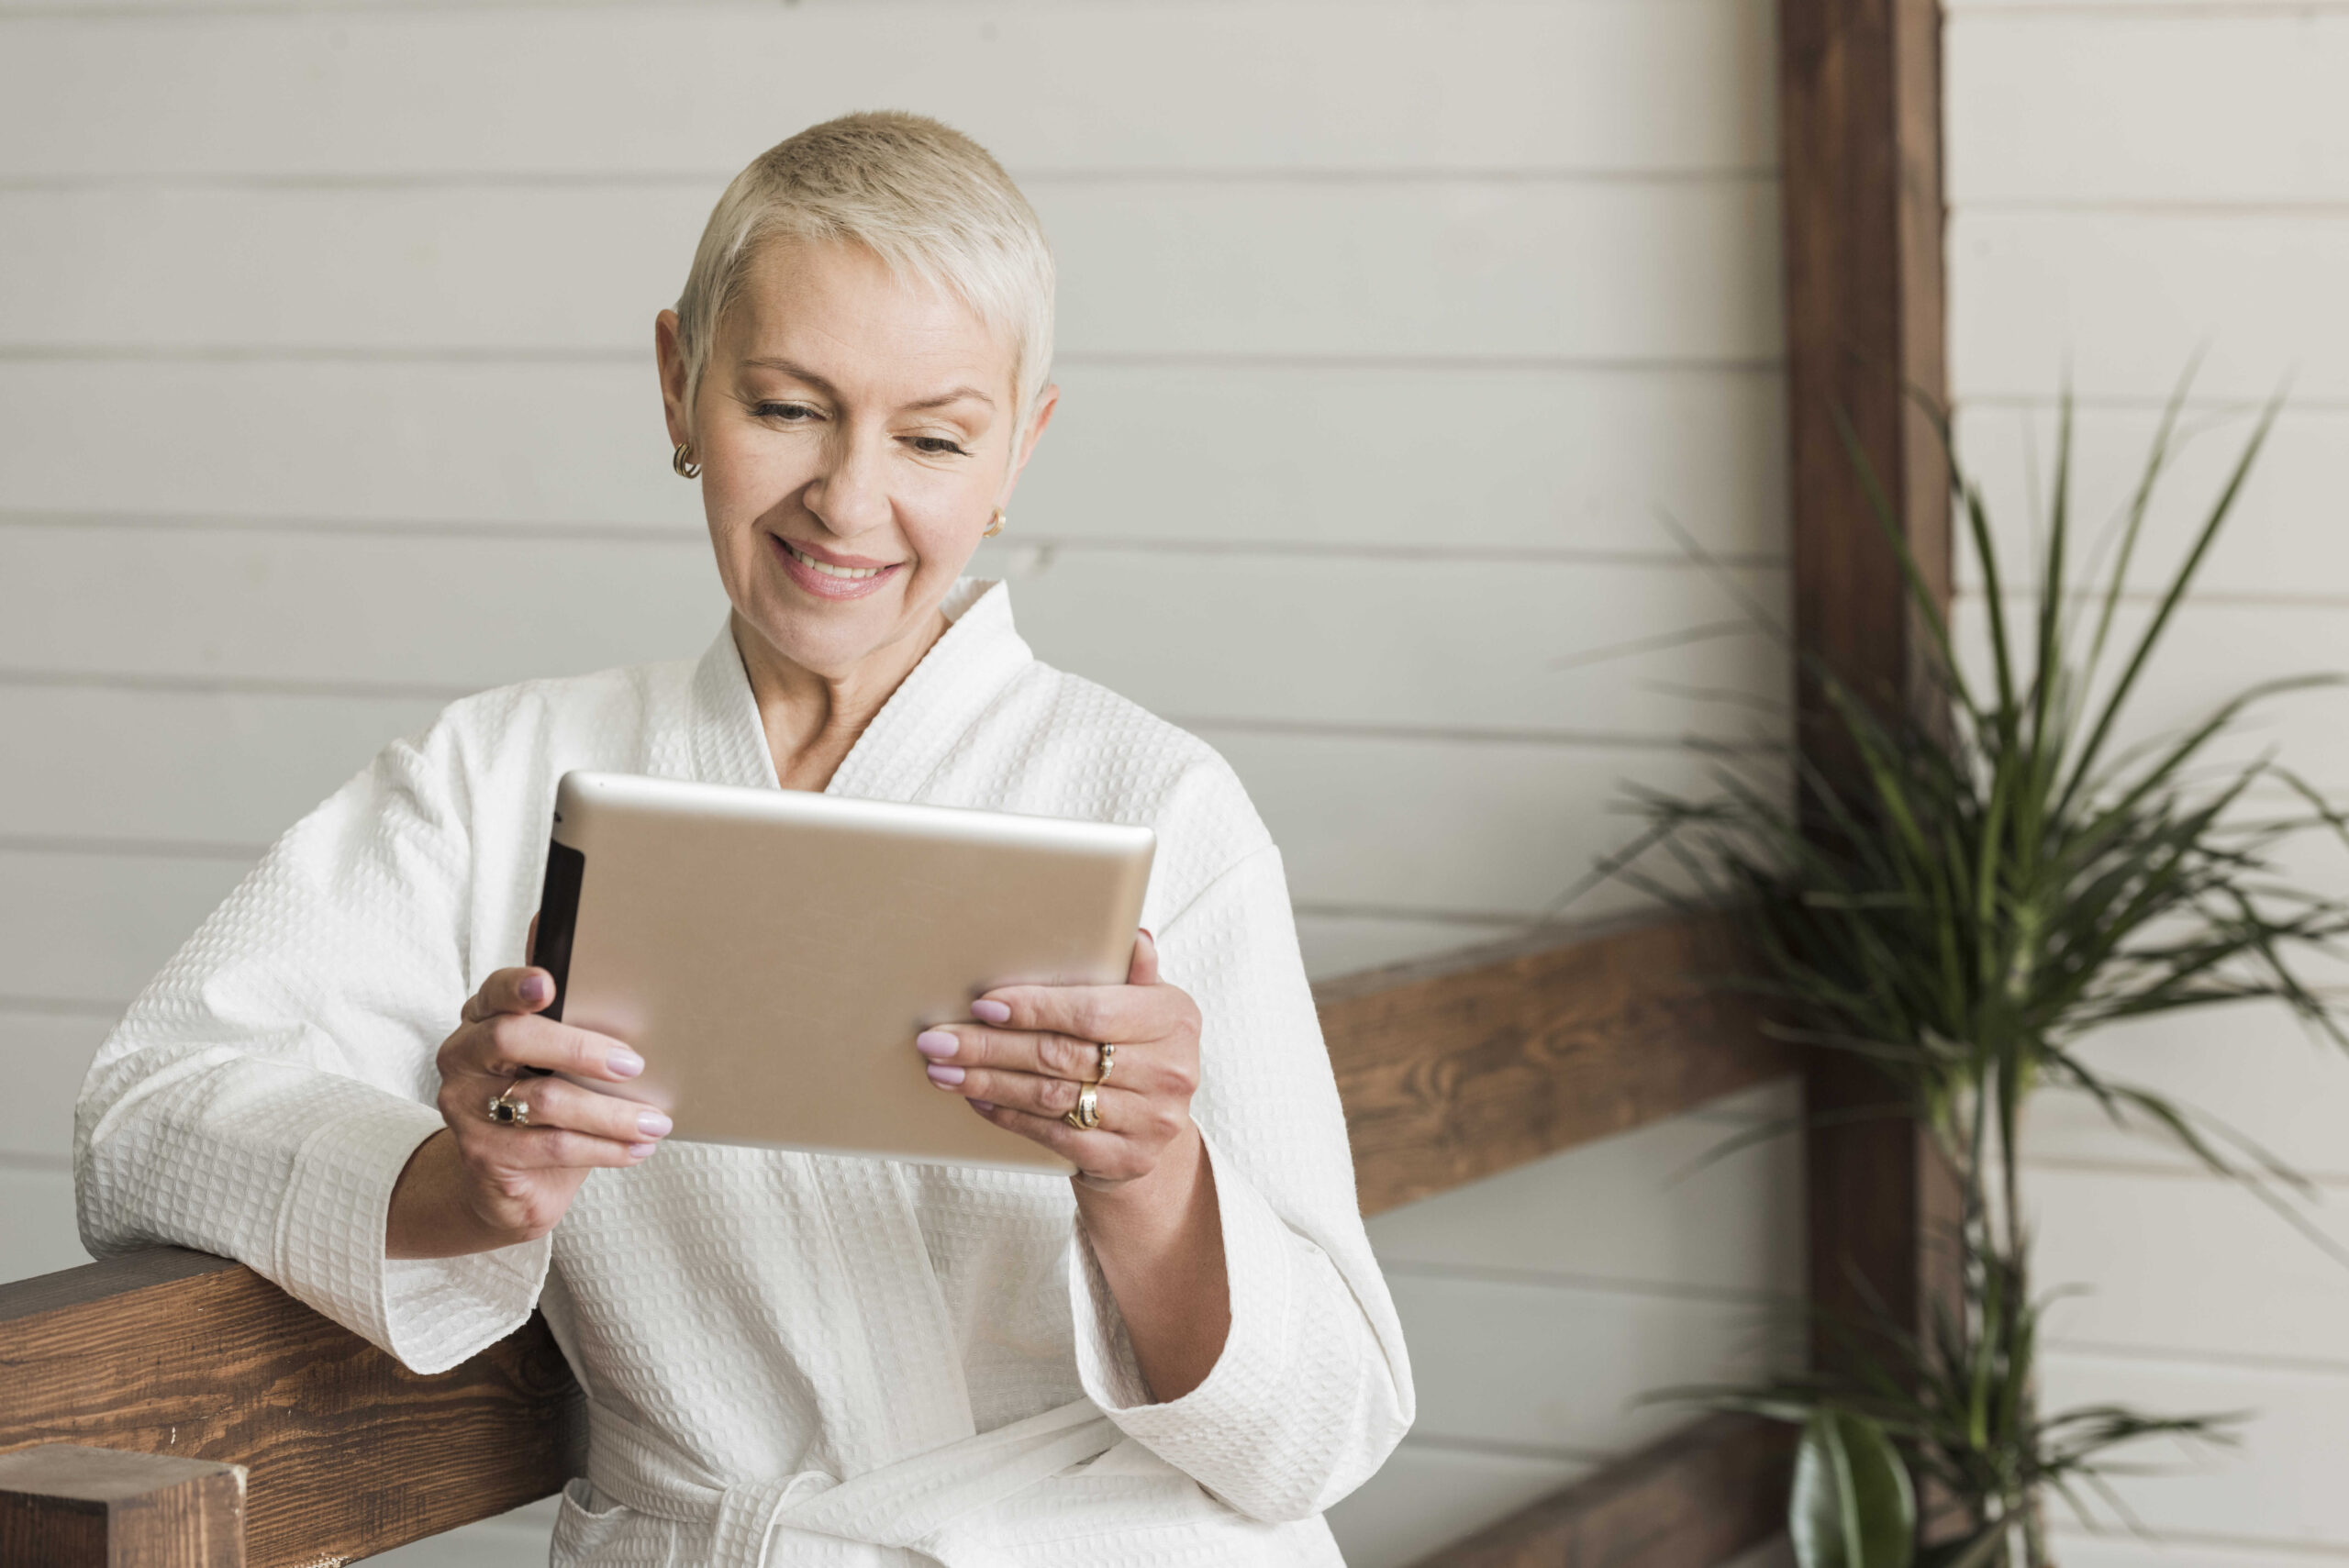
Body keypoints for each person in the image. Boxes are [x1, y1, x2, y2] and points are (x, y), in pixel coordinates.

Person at [73, 113, 1412, 1565]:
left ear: (1020, 443)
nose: (848, 498)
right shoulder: (496, 778)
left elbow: (1322, 1426)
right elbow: (142, 1115)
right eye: (785, 408)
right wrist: (457, 1188)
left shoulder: (1156, 804)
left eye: (936, 437)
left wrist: (1149, 1179)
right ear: (678, 384)